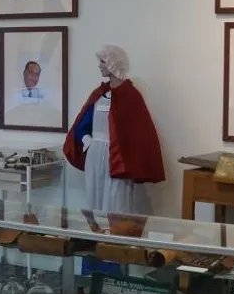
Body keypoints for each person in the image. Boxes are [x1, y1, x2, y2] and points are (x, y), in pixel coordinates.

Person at [63, 45, 165, 214]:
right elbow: (82, 124)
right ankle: (96, 229)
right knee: (94, 198)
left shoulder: (131, 96)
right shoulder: (98, 94)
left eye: (103, 61)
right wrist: (88, 141)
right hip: (95, 155)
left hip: (118, 159)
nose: (99, 66)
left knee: (117, 201)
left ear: (113, 64)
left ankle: (116, 231)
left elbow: (140, 133)